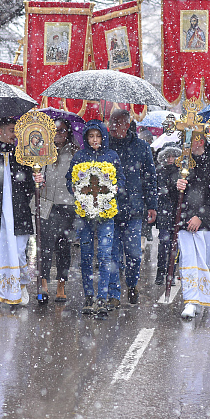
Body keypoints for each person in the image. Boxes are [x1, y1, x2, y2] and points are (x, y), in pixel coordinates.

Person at [67, 120, 124, 319]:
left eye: (98, 136)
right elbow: (70, 180)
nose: (95, 140)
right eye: (91, 136)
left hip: (106, 214)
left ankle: (103, 297)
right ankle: (89, 296)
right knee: (85, 255)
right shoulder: (79, 156)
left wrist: (116, 190)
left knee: (105, 255)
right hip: (84, 214)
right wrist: (74, 189)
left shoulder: (112, 156)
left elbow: (121, 180)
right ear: (86, 138)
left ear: (103, 137)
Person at [0, 117, 36, 309]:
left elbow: (29, 186)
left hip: (18, 211)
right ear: (0, 131)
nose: (14, 134)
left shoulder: (23, 156)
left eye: (16, 131)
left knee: (19, 252)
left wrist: (33, 183)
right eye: (11, 130)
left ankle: (21, 286)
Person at [168, 131, 210, 320]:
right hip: (185, 222)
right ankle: (190, 301)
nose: (186, 144)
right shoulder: (183, 165)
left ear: (199, 141)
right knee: (189, 262)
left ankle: (200, 299)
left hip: (206, 225)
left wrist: (200, 216)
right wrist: (177, 187)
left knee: (205, 264)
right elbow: (172, 195)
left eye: (189, 140)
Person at [107, 110, 157, 307]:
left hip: (134, 210)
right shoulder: (105, 147)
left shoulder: (141, 147)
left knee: (134, 253)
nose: (112, 126)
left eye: (117, 123)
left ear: (127, 125)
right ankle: (113, 294)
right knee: (112, 254)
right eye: (111, 122)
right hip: (110, 209)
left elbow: (150, 178)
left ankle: (132, 284)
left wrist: (152, 205)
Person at [31, 118, 79, 303]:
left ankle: (61, 283)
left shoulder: (75, 153)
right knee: (44, 246)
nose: (59, 134)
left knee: (63, 247)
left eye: (62, 131)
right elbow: (32, 176)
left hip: (66, 205)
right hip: (45, 204)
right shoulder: (41, 152)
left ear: (68, 133)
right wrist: (36, 177)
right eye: (56, 131)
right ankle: (43, 282)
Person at [154, 146, 180, 285]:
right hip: (164, 212)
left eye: (173, 156)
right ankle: (160, 272)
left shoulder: (181, 172)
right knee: (164, 243)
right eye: (168, 156)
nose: (170, 159)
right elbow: (158, 191)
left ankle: (171, 273)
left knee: (174, 245)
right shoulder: (159, 171)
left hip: (177, 212)